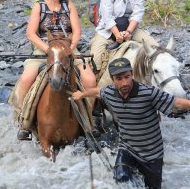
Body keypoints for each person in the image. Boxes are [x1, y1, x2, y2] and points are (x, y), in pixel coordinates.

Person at [72, 57, 190, 188]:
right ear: (112, 80)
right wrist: (81, 95)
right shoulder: (109, 92)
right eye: (119, 79)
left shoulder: (149, 93)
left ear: (132, 74)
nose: (124, 83)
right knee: (121, 179)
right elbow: (97, 91)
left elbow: (177, 102)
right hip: (127, 149)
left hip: (152, 154)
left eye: (127, 77)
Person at [16, 0, 96, 140]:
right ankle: (24, 121)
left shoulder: (69, 5)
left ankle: (88, 122)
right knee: (26, 78)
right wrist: (48, 50)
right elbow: (31, 34)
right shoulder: (39, 6)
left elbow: (76, 31)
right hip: (44, 48)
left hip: (68, 48)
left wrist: (69, 48)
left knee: (89, 78)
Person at [90, 0, 158, 75]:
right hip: (107, 30)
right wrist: (117, 34)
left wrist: (129, 31)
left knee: (155, 48)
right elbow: (106, 14)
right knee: (95, 60)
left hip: (130, 27)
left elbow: (138, 12)